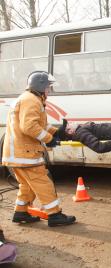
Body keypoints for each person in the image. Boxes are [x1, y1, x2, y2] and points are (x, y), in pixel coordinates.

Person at [2, 71, 76, 227]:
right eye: (49, 87)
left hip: (17, 154)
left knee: (27, 185)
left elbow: (40, 125)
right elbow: (29, 127)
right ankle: (55, 215)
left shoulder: (29, 99)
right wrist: (49, 140)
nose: (49, 90)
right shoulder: (32, 101)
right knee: (44, 183)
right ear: (41, 86)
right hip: (25, 154)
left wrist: (58, 132)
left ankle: (20, 212)